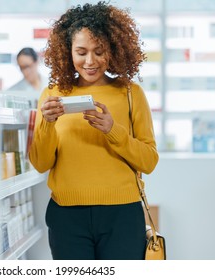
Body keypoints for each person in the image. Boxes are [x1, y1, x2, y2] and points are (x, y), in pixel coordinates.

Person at [28, 2, 159, 260]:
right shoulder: (52, 95)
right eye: (81, 52)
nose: (90, 61)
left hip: (122, 214)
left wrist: (113, 130)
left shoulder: (131, 93)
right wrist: (48, 123)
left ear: (113, 50)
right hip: (67, 217)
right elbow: (41, 163)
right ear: (68, 52)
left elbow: (149, 160)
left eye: (99, 51)